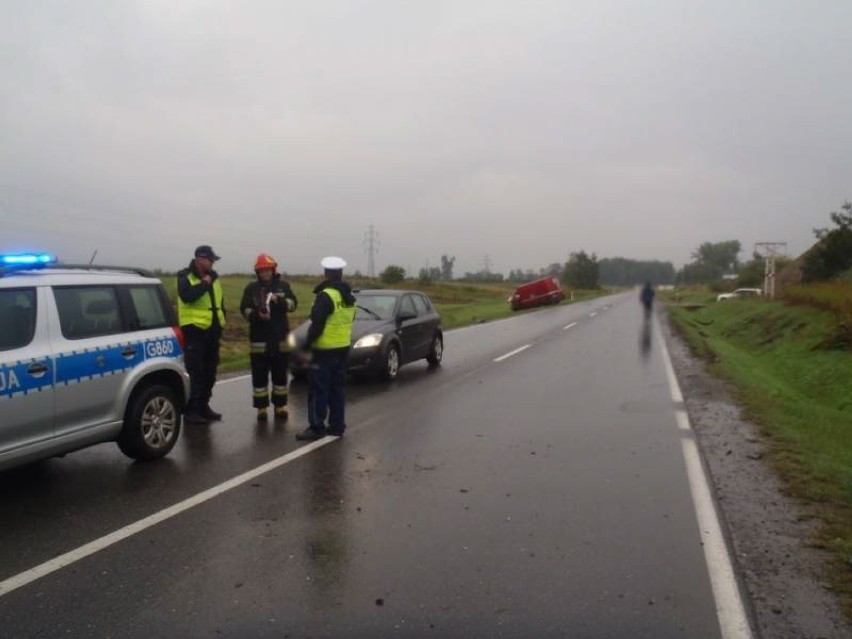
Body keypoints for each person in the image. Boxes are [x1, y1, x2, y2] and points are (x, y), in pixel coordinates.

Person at [296, 256, 357, 441]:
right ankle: (337, 426)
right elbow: (351, 319)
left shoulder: (326, 296)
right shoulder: (349, 297)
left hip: (324, 349)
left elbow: (317, 324)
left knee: (317, 389)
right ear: (341, 274)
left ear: (326, 274)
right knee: (337, 389)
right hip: (343, 347)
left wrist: (306, 345)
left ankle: (316, 426)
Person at [239, 253, 298, 422]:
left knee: (280, 377)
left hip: (280, 340)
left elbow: (294, 304)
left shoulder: (284, 286)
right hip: (259, 341)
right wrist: (257, 316)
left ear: (273, 270)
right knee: (259, 378)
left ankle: (280, 406)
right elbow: (245, 309)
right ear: (258, 272)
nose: (265, 273)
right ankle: (261, 408)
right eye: (262, 271)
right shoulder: (251, 288)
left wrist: (280, 300)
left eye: (267, 270)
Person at [177, 245, 226, 424]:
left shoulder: (214, 277)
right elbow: (187, 296)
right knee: (196, 374)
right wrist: (204, 283)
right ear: (200, 259)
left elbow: (220, 302)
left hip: (212, 332)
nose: (213, 263)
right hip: (195, 333)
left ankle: (204, 406)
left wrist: (222, 323)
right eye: (210, 259)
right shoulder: (184, 276)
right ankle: (191, 411)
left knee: (210, 373)